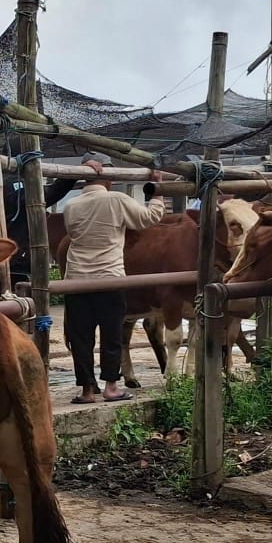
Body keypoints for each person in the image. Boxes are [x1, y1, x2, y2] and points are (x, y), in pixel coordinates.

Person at [61, 153, 166, 403]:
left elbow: (72, 233)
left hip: (76, 279)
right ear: (108, 178)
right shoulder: (117, 200)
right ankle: (111, 387)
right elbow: (149, 218)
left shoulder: (71, 206)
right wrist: (157, 192)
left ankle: (87, 390)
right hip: (110, 278)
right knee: (112, 335)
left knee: (81, 338)